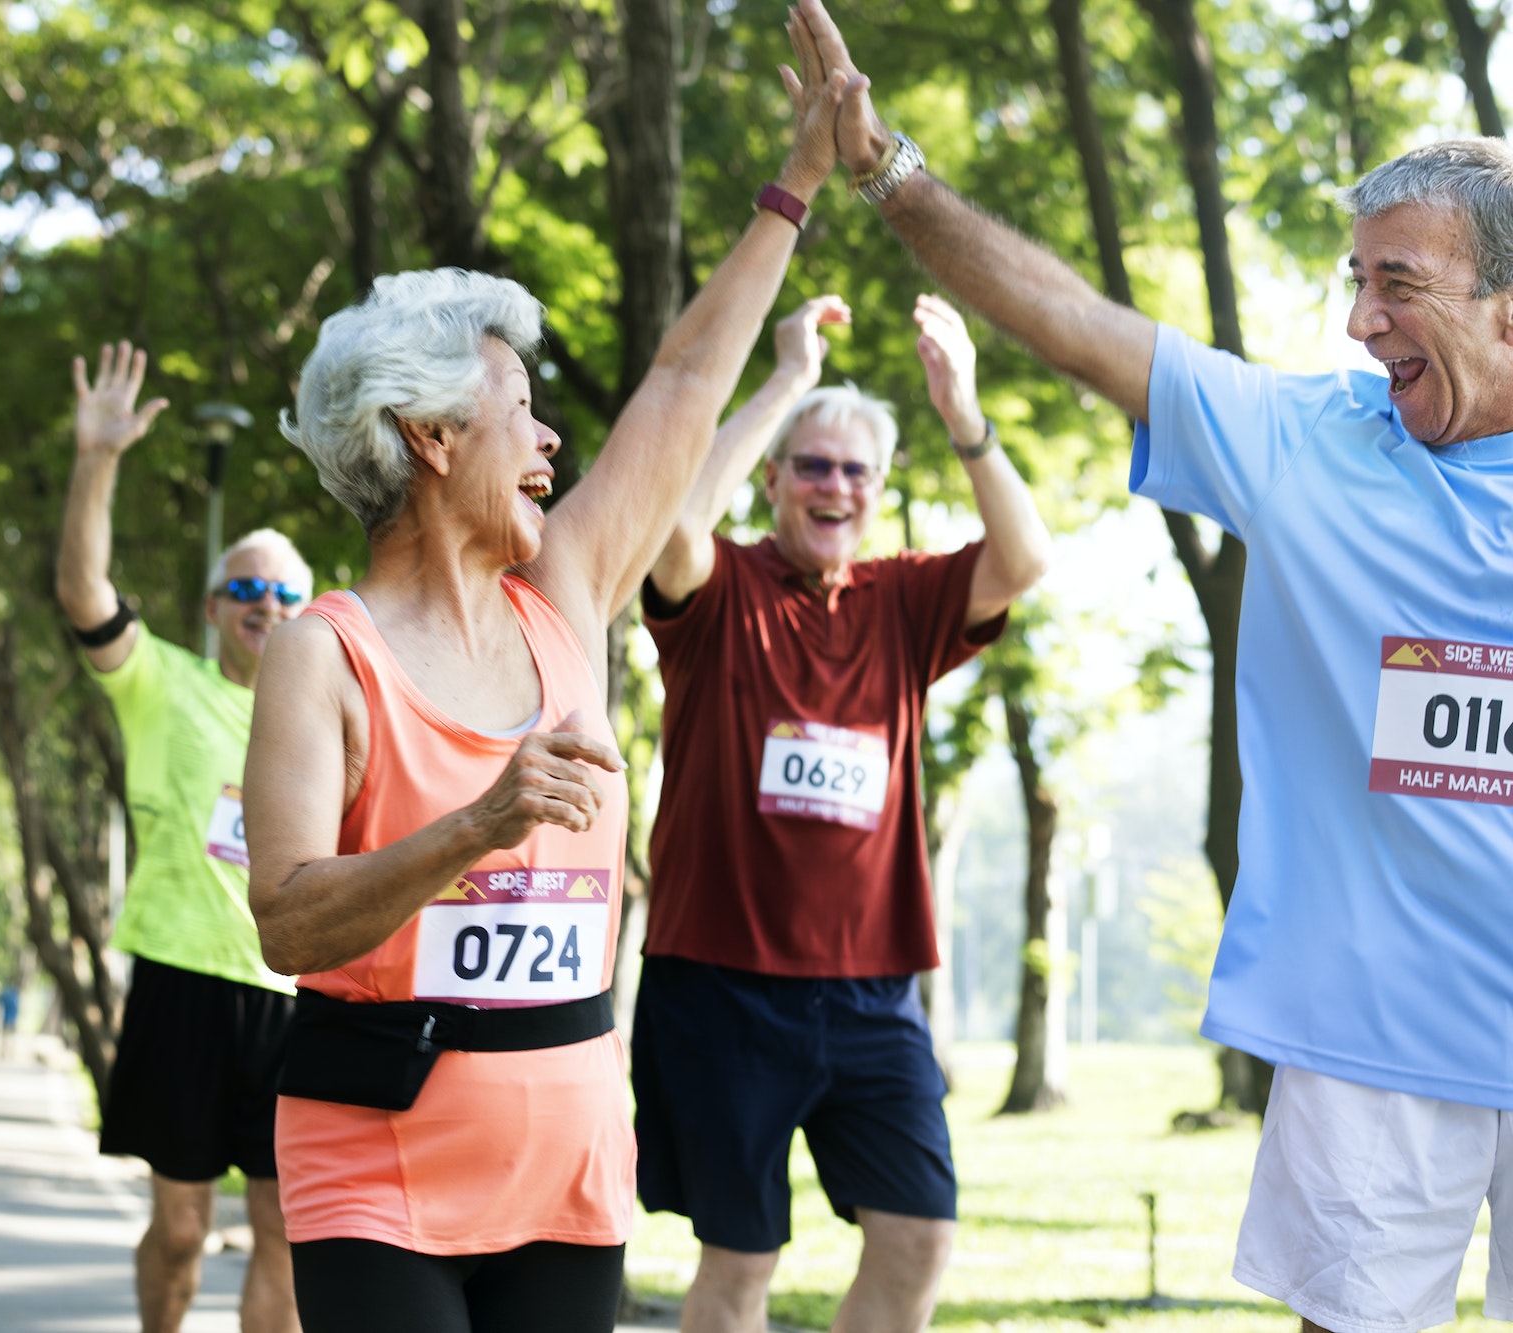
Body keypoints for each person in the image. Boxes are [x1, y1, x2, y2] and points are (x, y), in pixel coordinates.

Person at [813, 25, 1513, 1330]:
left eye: (1398, 285)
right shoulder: (1314, 444)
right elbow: (1079, 326)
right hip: (1372, 1049)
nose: (1361, 323)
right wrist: (891, 176)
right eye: (1355, 283)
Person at [241, 7, 851, 1328]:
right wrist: (481, 821)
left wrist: (793, 184)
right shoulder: (320, 654)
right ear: (428, 435)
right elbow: (287, 919)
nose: (551, 442)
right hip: (376, 1156)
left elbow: (685, 386)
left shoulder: (562, 594)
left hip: (569, 1162)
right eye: (520, 412)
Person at [633, 291, 1049, 1333]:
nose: (833, 486)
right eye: (811, 465)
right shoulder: (719, 586)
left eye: (854, 471)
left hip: (872, 996)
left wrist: (962, 414)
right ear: (770, 481)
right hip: (720, 986)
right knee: (739, 1265)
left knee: (915, 1239)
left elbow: (1025, 559)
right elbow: (673, 521)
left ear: (876, 493)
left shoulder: (905, 600)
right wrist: (785, 384)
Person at [55, 342, 311, 1333]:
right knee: (180, 1228)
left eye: (285, 594)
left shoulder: (336, 711)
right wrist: (98, 458)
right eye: (245, 592)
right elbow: (84, 591)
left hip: (294, 992)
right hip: (182, 982)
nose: (265, 607)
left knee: (286, 1229)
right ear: (214, 611)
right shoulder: (164, 683)